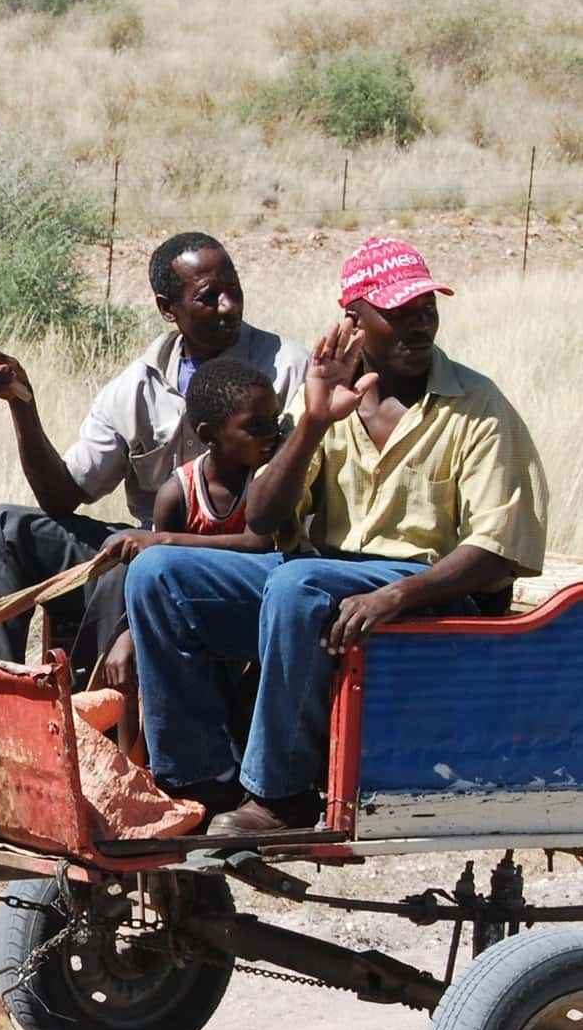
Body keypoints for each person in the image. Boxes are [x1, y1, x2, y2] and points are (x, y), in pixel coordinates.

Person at [123, 236, 548, 838]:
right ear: (354, 320)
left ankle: (282, 796)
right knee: (157, 574)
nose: (418, 324)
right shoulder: (330, 396)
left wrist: (396, 596)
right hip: (322, 582)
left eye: (426, 308)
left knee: (299, 583)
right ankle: (197, 782)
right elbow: (265, 520)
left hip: (426, 592)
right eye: (397, 313)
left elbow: (498, 549)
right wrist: (317, 421)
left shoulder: (478, 406)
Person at [0, 232, 307, 678]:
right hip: (152, 543)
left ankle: (91, 715)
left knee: (135, 566)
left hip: (241, 559)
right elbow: (63, 496)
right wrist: (22, 406)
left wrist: (157, 544)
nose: (228, 307)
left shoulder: (287, 369)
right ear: (167, 308)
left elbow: (272, 529)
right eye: (208, 298)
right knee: (0, 528)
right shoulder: (136, 386)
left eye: (233, 290)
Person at [101, 359, 282, 742]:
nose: (271, 435)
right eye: (256, 426)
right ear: (210, 435)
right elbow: (157, 582)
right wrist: (129, 635)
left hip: (253, 614)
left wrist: (165, 542)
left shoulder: (268, 480)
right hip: (198, 620)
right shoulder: (179, 494)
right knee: (134, 662)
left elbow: (258, 543)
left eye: (275, 422)